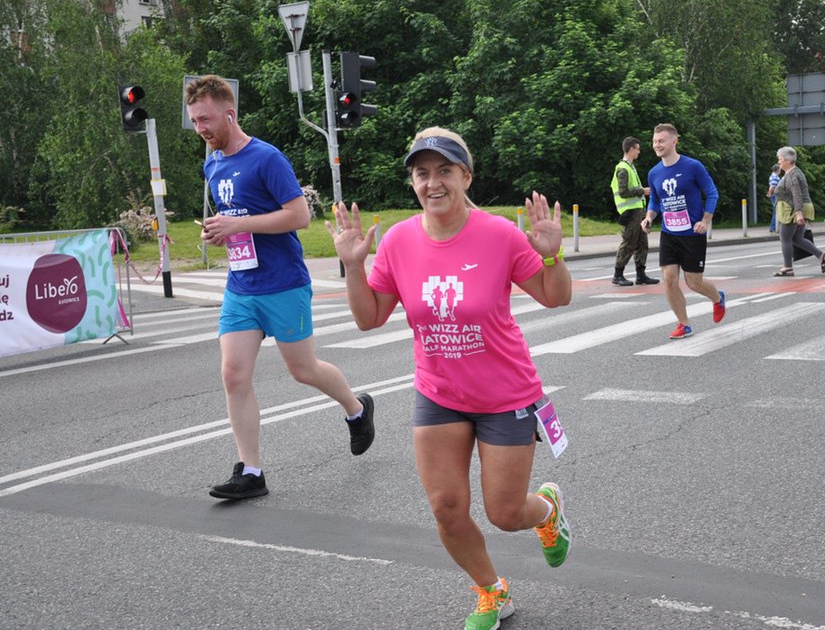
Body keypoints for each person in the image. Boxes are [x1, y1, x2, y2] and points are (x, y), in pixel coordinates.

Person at [329, 127, 573, 630]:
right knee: (446, 508)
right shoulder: (399, 241)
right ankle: (491, 591)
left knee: (505, 513)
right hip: (438, 393)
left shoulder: (499, 234)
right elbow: (369, 318)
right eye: (422, 173)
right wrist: (353, 266)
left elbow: (555, 296)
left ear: (466, 177)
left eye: (444, 170)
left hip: (506, 393)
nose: (432, 182)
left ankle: (546, 511)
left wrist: (552, 255)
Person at [184, 75, 375, 501]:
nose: (200, 129)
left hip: (283, 282)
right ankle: (251, 472)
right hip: (241, 286)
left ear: (229, 114)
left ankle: (357, 408)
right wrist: (219, 233)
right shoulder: (212, 165)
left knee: (303, 370)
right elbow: (235, 221)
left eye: (206, 119)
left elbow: (298, 216)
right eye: (195, 121)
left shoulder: (266, 158)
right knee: (233, 375)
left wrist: (239, 224)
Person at [640, 123, 726, 339]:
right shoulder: (654, 173)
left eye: (661, 141)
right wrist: (649, 217)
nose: (657, 145)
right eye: (654, 141)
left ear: (674, 141)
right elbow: (655, 200)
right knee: (669, 279)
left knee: (694, 282)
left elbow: (712, 192)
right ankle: (684, 324)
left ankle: (718, 298)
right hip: (669, 233)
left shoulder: (693, 166)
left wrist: (705, 220)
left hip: (692, 233)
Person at [772, 146, 825, 277]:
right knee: (797, 239)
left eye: (780, 159)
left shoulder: (792, 175)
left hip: (792, 210)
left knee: (785, 238)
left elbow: (796, 194)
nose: (778, 162)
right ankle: (822, 256)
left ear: (788, 160)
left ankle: (788, 268)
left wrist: (798, 213)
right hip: (797, 208)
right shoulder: (794, 172)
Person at [610, 136, 659, 286]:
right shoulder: (623, 168)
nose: (639, 151)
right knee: (629, 242)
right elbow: (623, 191)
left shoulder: (630, 167)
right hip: (630, 212)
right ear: (631, 149)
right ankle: (618, 274)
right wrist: (642, 191)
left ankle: (641, 274)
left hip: (638, 210)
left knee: (642, 243)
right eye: (637, 149)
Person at [767, 163, 781, 234]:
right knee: (776, 212)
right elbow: (773, 186)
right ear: (777, 169)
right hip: (775, 195)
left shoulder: (773, 176)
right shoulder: (774, 176)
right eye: (780, 169)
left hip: (775, 195)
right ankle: (773, 227)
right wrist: (770, 193)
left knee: (776, 211)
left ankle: (775, 227)